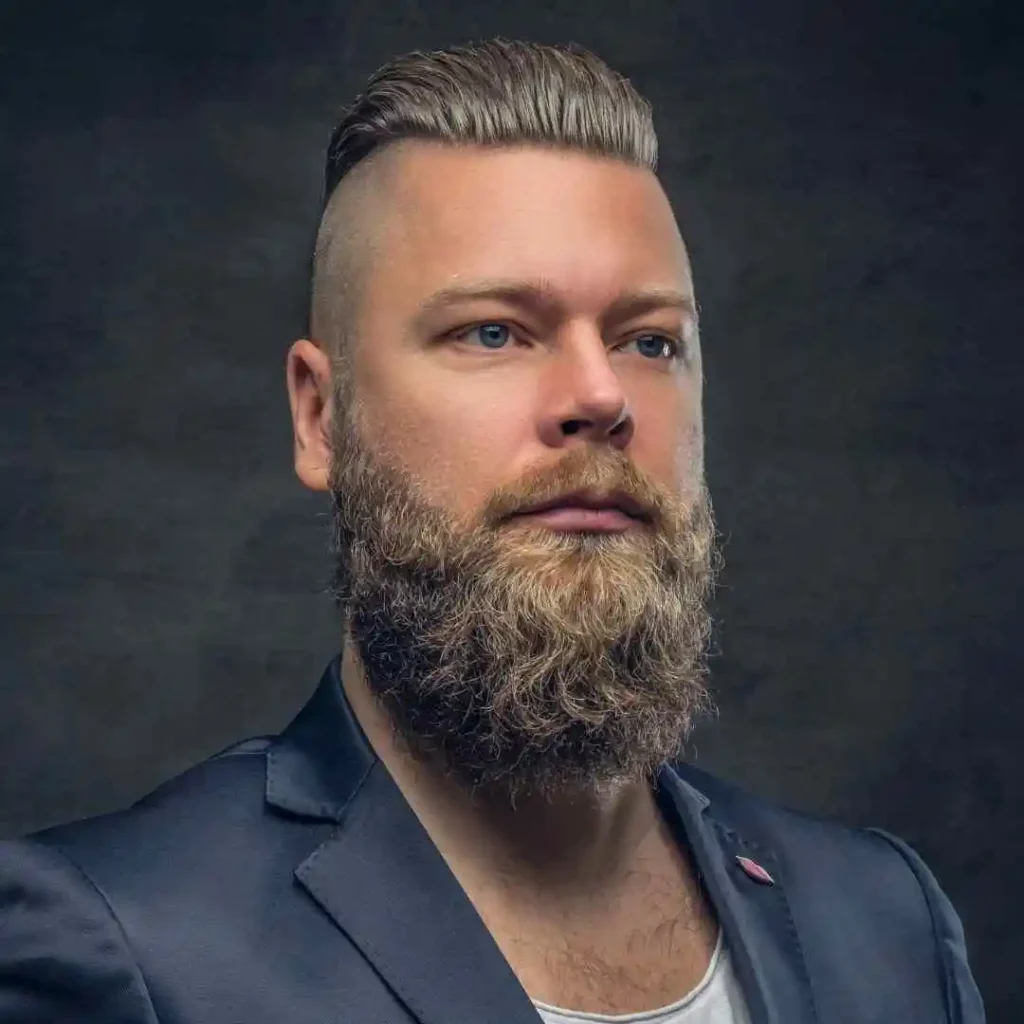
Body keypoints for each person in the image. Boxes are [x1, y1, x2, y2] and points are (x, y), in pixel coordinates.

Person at [0, 37, 985, 1024]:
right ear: (319, 417)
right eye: (493, 331)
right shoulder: (122, 941)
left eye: (648, 341)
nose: (600, 395)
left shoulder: (887, 921)